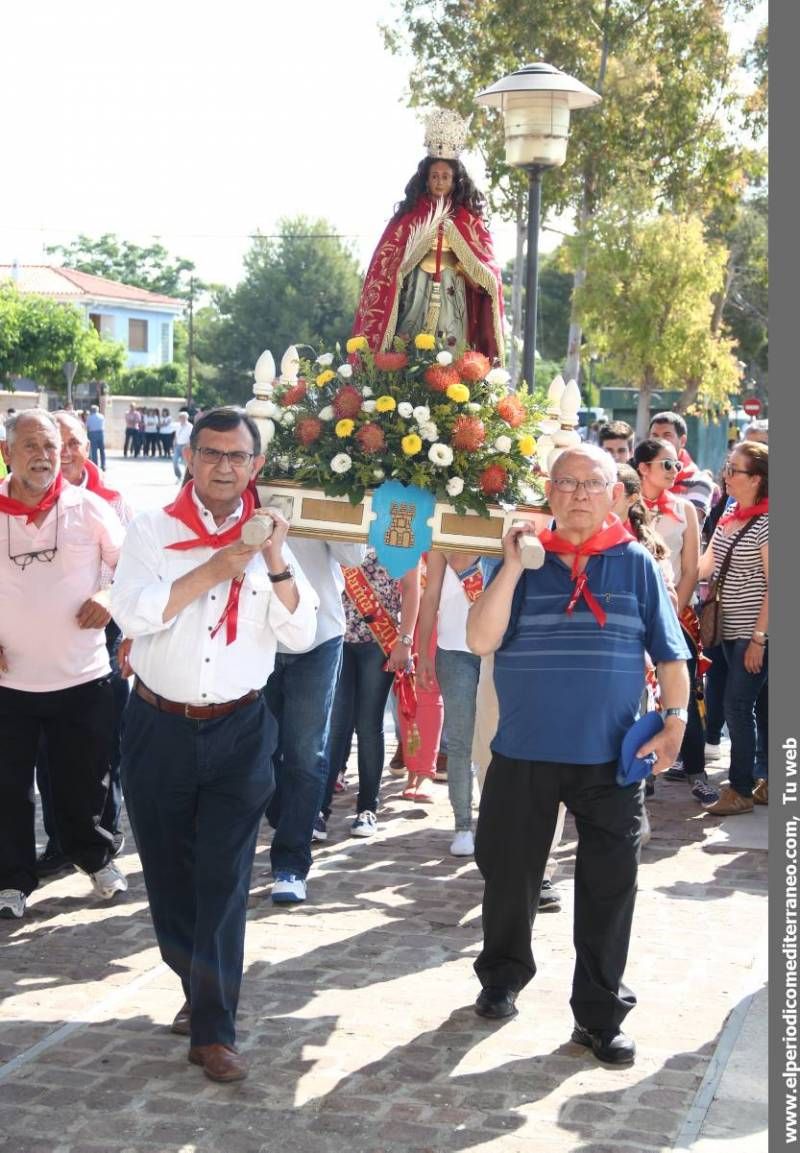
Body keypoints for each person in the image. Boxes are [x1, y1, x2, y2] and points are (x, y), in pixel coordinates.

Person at [111, 407, 319, 1083]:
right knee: (169, 877)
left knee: (224, 878)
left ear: (254, 466)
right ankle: (192, 980)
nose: (224, 466)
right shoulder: (152, 529)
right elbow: (135, 611)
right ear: (189, 457)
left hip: (239, 728)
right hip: (157, 724)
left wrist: (272, 557)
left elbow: (300, 632)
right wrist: (215, 567)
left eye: (237, 455)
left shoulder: (272, 535)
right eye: (211, 453)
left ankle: (214, 1028)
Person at [466, 444, 690, 1066]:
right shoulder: (516, 560)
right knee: (509, 878)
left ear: (614, 493)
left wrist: (673, 725)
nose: (580, 495)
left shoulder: (638, 564)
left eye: (593, 484)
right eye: (567, 483)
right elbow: (479, 637)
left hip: (610, 759)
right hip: (524, 752)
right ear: (549, 492)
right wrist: (512, 566)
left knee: (609, 888)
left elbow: (671, 657)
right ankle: (502, 977)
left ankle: (598, 1015)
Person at [0, 411, 127, 920]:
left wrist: (109, 596)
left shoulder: (91, 508)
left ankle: (95, 858)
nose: (43, 455)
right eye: (29, 445)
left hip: (82, 677)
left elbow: (135, 570)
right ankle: (12, 879)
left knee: (83, 783)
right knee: (8, 788)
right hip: (9, 684)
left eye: (50, 446)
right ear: (7, 453)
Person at [34, 413, 133, 876]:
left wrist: (108, 598)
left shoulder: (110, 500)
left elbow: (134, 567)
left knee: (100, 744)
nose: (66, 451)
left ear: (85, 448)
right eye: (58, 443)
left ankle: (104, 838)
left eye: (73, 442)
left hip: (102, 633)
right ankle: (59, 839)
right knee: (46, 750)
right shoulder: (22, 497)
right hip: (41, 643)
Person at [351, 109, 504, 359]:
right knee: (411, 339)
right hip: (416, 288)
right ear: (426, 180)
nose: (440, 182)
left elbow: (487, 268)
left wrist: (470, 271)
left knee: (450, 344)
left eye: (445, 177)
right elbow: (387, 262)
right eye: (435, 176)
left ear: (456, 181)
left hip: (453, 287)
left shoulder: (468, 220)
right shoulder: (409, 217)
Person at [265, 536, 366, 904]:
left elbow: (353, 555)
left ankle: (291, 863)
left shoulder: (330, 479)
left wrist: (336, 504)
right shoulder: (243, 481)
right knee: (260, 750)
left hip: (318, 636)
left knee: (305, 753)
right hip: (256, 635)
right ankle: (284, 815)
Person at [631, 439, 715, 804]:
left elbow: (691, 569)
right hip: (633, 619)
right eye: (666, 465)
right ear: (643, 468)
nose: (673, 472)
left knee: (683, 694)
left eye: (676, 466)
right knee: (639, 698)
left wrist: (669, 611)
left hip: (676, 617)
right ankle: (641, 773)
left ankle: (695, 771)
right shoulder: (626, 506)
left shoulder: (685, 510)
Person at [320, 552, 420, 840]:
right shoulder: (344, 518)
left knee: (369, 725)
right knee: (336, 726)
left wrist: (405, 640)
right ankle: (319, 809)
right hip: (337, 637)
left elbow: (412, 586)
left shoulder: (400, 520)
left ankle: (367, 809)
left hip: (380, 640)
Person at [698, 442, 768, 815]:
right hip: (728, 630)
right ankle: (768, 781)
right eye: (727, 468)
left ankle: (740, 788)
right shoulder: (730, 516)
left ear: (756, 478)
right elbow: (705, 567)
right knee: (761, 706)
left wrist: (760, 638)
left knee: (737, 707)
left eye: (735, 470)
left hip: (754, 634)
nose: (727, 475)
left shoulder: (771, 523)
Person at [417, 551, 483, 856]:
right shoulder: (444, 530)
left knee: (499, 740)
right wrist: (424, 654)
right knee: (460, 742)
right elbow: (429, 597)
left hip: (499, 647)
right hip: (454, 649)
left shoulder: (509, 516)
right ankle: (462, 825)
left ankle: (497, 818)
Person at [648, 411, 714, 523]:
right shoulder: (642, 474)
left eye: (667, 435)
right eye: (655, 436)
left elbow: (686, 525)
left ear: (682, 441)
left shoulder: (699, 481)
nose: (659, 442)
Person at [173, 410, 193, 480]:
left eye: (183, 417)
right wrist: (175, 441)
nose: (181, 418)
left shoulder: (190, 426)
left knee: (186, 464)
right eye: (180, 417)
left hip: (186, 446)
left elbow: (191, 437)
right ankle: (179, 476)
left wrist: (188, 444)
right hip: (178, 445)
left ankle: (188, 478)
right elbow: (176, 434)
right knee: (174, 461)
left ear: (186, 418)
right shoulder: (178, 425)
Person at [85, 404, 106, 470]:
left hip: (92, 434)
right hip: (100, 433)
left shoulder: (89, 418)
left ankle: (95, 465)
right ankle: (103, 465)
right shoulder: (101, 417)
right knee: (102, 450)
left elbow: (87, 427)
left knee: (94, 451)